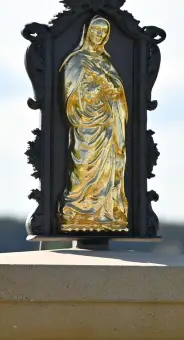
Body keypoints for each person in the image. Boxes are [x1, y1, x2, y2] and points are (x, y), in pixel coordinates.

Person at [59, 16, 129, 231]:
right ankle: (78, 210)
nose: (98, 35)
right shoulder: (77, 60)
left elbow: (118, 92)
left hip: (108, 124)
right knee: (82, 167)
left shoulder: (105, 62)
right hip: (87, 124)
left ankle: (106, 212)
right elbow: (71, 96)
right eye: (95, 30)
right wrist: (91, 94)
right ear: (86, 32)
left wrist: (108, 88)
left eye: (103, 32)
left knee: (108, 170)